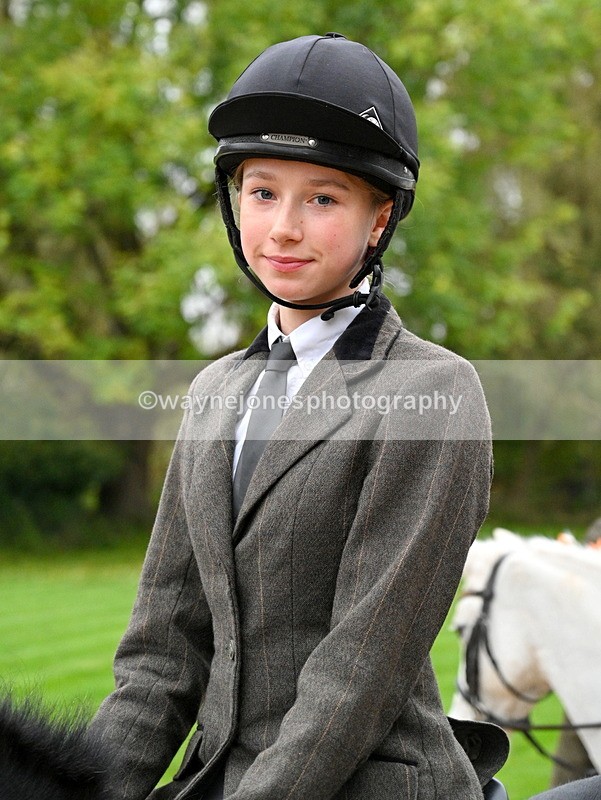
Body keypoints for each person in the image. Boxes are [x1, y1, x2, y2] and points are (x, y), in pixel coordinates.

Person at [89, 33, 508, 800]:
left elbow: (360, 671)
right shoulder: (215, 391)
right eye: (261, 191)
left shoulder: (434, 392)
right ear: (233, 200)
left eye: (322, 198)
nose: (282, 227)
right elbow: (161, 654)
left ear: (378, 219)